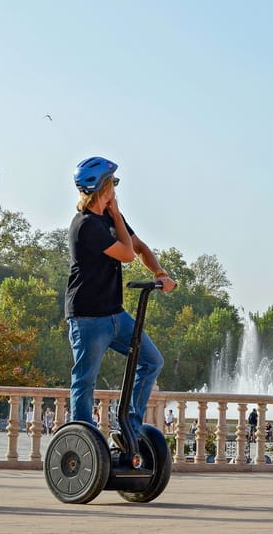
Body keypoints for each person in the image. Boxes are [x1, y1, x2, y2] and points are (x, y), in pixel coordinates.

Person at [65, 157, 176, 440]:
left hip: (115, 314)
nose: (115, 187)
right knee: (85, 380)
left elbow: (139, 247)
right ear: (104, 187)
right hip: (87, 317)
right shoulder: (86, 225)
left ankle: (129, 429)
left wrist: (160, 273)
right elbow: (127, 255)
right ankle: (83, 440)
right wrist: (116, 216)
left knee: (151, 361)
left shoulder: (111, 218)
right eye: (113, 182)